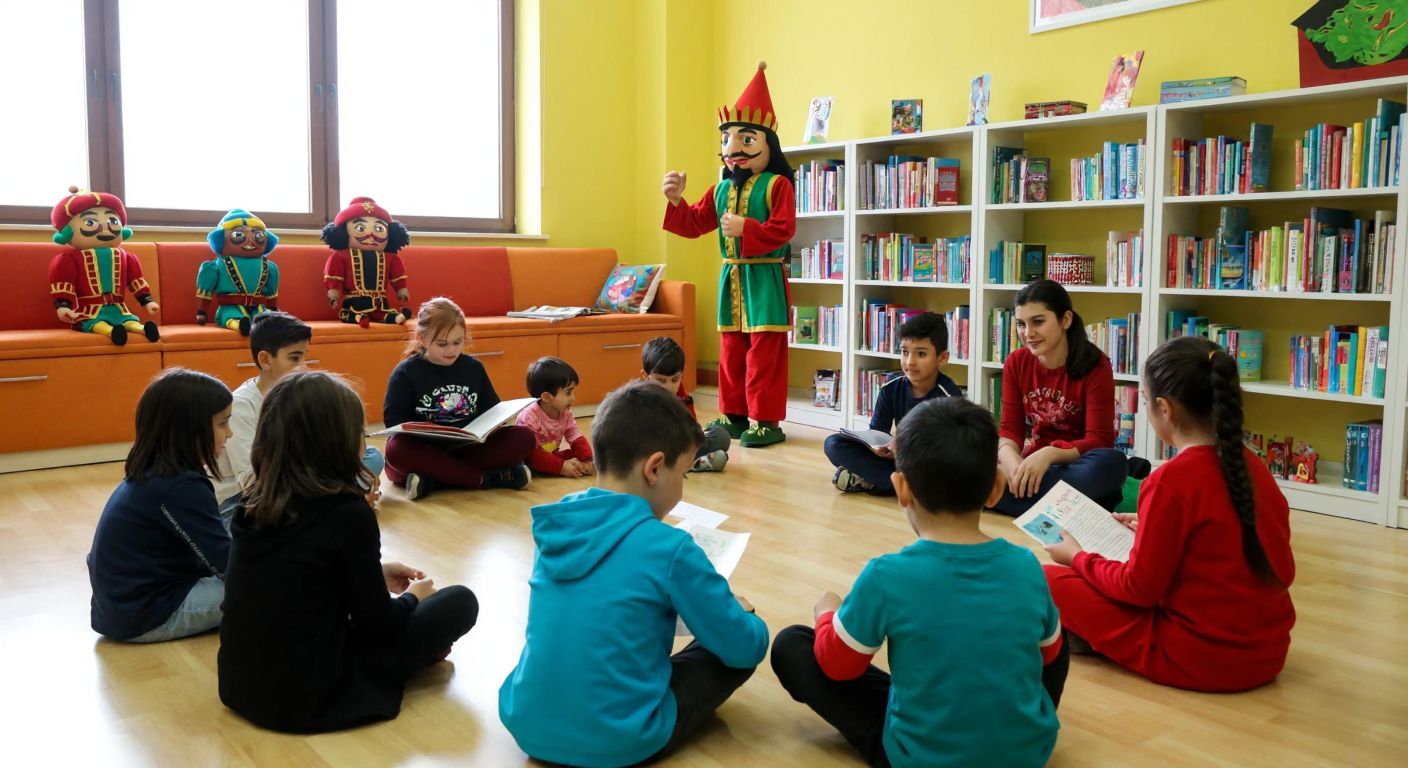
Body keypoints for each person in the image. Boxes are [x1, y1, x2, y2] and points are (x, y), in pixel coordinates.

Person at [772, 398, 1068, 768]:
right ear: (996, 488)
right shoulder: (1026, 565)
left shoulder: (886, 575)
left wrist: (826, 613)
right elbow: (1049, 657)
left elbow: (838, 666)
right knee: (1053, 632)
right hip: (1028, 754)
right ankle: (1013, 726)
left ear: (901, 488)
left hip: (920, 757)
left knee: (793, 646)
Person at [499, 381, 768, 767]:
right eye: (684, 475)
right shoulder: (669, 546)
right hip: (620, 740)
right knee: (734, 642)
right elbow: (744, 648)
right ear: (655, 467)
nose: (681, 490)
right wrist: (744, 619)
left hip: (527, 723)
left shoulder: (559, 523)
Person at [218, 371, 478, 733]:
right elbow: (379, 624)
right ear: (335, 443)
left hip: (241, 685)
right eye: (361, 433)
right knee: (459, 601)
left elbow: (293, 581)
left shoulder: (254, 500)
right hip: (311, 695)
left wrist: (376, 572)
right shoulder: (347, 512)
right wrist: (414, 599)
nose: (365, 443)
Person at [1043, 336, 1296, 692]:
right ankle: (1088, 635)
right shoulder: (1253, 466)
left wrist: (1078, 558)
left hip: (1199, 658)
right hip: (1267, 654)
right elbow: (1275, 566)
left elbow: (1138, 589)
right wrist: (1151, 526)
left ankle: (1088, 634)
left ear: (1165, 409)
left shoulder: (1169, 482)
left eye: (1145, 401)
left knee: (1046, 578)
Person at [662, 62, 796, 448]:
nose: (733, 149)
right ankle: (734, 415)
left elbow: (784, 230)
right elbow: (693, 223)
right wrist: (675, 200)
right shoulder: (720, 189)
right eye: (727, 140)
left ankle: (766, 420)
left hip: (765, 277)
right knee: (731, 351)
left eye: (746, 140)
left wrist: (748, 230)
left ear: (767, 144)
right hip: (731, 277)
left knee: (763, 353)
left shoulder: (778, 185)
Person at [87, 368, 232, 642]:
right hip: (145, 616)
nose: (230, 433)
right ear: (191, 430)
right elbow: (228, 563)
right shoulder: (180, 487)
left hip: (121, 608)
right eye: (223, 423)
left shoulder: (158, 472)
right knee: (273, 586)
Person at [212, 312, 384, 515]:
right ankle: (334, 502)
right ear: (265, 360)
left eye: (304, 357)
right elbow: (249, 480)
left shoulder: (299, 396)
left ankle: (329, 503)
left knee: (372, 457)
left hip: (296, 484)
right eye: (294, 358)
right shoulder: (242, 404)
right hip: (244, 498)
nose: (303, 366)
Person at [993, 279, 1128, 516]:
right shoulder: (1016, 362)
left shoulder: (1096, 365)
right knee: (970, 464)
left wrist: (1050, 454)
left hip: (1077, 464)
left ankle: (1012, 497)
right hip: (1033, 466)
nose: (1028, 333)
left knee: (1112, 463)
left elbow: (1099, 440)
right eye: (1021, 324)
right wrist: (1012, 463)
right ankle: (1069, 505)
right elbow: (1010, 429)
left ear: (1065, 320)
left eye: (1038, 322)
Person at [382, 297, 534, 500]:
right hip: (427, 451)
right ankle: (487, 479)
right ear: (421, 338)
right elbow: (394, 422)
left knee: (525, 437)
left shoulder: (473, 367)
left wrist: (492, 426)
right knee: (396, 451)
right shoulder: (406, 373)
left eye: (457, 342)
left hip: (467, 449)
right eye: (442, 344)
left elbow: (492, 410)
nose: (451, 350)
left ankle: (434, 481)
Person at [824, 312, 962, 494]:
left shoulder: (949, 396)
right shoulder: (890, 389)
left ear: (942, 358)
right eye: (905, 352)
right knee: (833, 444)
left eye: (921, 354)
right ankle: (895, 484)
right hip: (900, 463)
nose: (910, 362)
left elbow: (954, 451)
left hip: (931, 465)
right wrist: (878, 448)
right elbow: (877, 434)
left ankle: (874, 480)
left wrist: (906, 447)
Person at [640, 336, 730, 472]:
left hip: (680, 448)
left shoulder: (682, 397)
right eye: (661, 380)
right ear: (645, 376)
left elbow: (692, 427)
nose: (669, 387)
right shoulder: (639, 400)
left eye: (675, 379)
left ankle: (689, 463)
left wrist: (694, 437)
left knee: (721, 436)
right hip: (652, 453)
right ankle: (694, 464)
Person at [517, 356, 594, 478]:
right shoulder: (529, 417)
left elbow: (575, 437)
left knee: (576, 455)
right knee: (535, 460)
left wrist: (586, 459)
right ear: (547, 397)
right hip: (530, 460)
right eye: (568, 392)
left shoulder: (565, 413)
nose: (573, 397)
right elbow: (534, 456)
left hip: (551, 455)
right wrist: (562, 467)